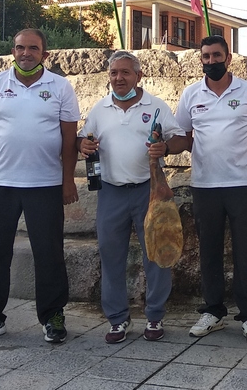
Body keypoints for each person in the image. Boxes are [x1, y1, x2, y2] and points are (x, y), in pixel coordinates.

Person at [0, 28, 79, 345]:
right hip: (0, 183)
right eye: (20, 48)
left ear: (45, 54)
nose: (26, 53)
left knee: (49, 253)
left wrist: (68, 179)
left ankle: (52, 316)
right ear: (13, 51)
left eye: (33, 48)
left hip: (46, 184)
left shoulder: (60, 87)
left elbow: (70, 140)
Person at [78, 51, 187, 344]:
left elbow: (180, 138)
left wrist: (165, 147)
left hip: (148, 190)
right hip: (111, 192)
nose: (119, 78)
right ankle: (117, 319)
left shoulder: (156, 107)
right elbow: (83, 138)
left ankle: (155, 316)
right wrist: (84, 145)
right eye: (114, 73)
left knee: (158, 252)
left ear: (139, 76)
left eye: (125, 72)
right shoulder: (100, 109)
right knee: (111, 256)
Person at [175, 35, 247, 346]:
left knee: (246, 252)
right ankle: (213, 312)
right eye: (205, 57)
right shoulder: (191, 94)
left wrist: (240, 149)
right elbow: (182, 136)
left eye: (216, 56)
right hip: (204, 185)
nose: (211, 62)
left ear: (228, 57)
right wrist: (161, 147)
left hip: (243, 185)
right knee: (209, 251)